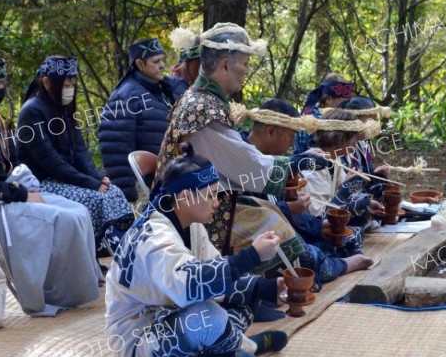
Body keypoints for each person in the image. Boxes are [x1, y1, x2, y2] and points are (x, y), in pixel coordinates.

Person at [105, 143, 288, 357]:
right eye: (210, 194)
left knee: (245, 293)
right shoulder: (153, 238)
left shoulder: (192, 227)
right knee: (208, 315)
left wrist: (268, 288)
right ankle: (246, 347)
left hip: (174, 317)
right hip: (141, 343)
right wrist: (252, 256)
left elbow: (217, 273)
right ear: (185, 197)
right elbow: (190, 285)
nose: (217, 202)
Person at [158, 23, 327, 274]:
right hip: (189, 210)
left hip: (200, 197)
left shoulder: (204, 99)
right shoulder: (202, 107)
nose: (247, 70)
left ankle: (272, 285)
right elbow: (247, 166)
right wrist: (298, 162)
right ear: (225, 64)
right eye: (245, 63)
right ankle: (255, 289)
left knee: (268, 211)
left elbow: (235, 162)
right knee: (273, 227)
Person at [0, 49, 101, 315]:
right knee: (61, 218)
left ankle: (70, 289)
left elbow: (11, 159)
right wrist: (21, 194)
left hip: (11, 192)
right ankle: (42, 295)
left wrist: (24, 184)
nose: (1, 90)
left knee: (77, 211)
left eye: (3, 84)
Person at [240, 99, 374, 287]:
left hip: (284, 227)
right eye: (291, 136)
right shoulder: (239, 158)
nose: (293, 143)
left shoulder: (339, 160)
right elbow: (244, 210)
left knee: (345, 234)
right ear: (271, 132)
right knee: (307, 259)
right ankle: (344, 264)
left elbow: (302, 214)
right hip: (248, 240)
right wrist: (346, 191)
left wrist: (364, 194)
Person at [17, 55, 133, 256]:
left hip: (67, 178)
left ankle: (122, 250)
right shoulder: (31, 112)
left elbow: (79, 149)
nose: (70, 87)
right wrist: (89, 183)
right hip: (42, 182)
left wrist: (96, 177)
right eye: (65, 83)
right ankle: (92, 254)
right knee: (94, 198)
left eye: (73, 82)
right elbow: (50, 161)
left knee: (113, 192)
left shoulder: (63, 108)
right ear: (46, 82)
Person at [99, 38, 175, 201]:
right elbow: (116, 147)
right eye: (156, 61)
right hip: (162, 180)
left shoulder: (162, 89)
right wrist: (126, 196)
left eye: (163, 59)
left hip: (176, 168)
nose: (162, 65)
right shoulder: (125, 97)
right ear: (140, 64)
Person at [303, 109, 384, 231]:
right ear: (340, 137)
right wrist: (346, 189)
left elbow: (341, 195)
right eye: (353, 138)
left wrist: (366, 203)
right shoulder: (313, 164)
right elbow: (319, 217)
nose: (356, 143)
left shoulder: (335, 159)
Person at [295, 73, 355, 154]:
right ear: (328, 99)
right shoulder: (317, 121)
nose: (345, 107)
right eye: (343, 102)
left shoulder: (313, 112)